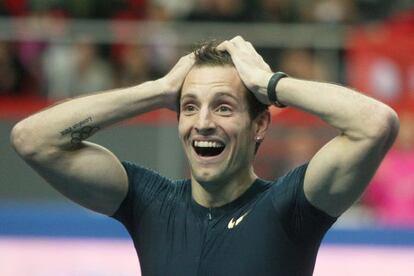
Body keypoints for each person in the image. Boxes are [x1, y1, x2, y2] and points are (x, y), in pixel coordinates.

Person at [10, 36, 399, 275]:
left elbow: (376, 124)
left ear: (260, 124)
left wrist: (269, 83)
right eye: (190, 107)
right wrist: (157, 90)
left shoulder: (290, 208)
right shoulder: (150, 203)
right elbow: (33, 139)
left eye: (224, 107)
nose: (203, 122)